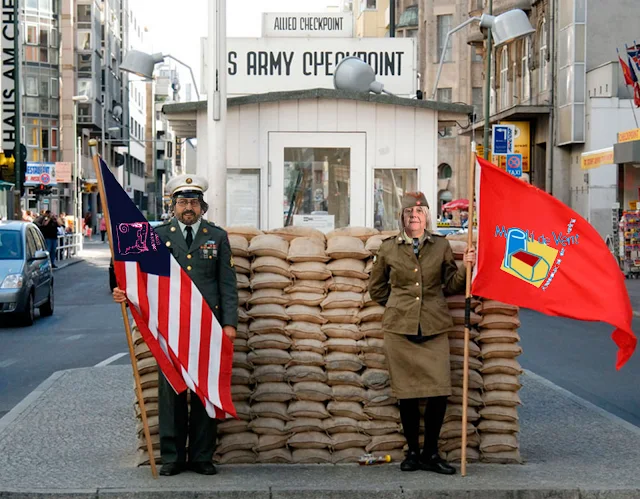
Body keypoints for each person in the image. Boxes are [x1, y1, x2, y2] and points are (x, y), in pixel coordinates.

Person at [112, 174, 238, 477]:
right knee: (172, 394)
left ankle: (202, 456)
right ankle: (172, 457)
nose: (188, 207)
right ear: (173, 205)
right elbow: (135, 271)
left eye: (194, 201)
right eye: (182, 201)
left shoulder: (216, 237)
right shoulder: (157, 236)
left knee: (205, 391)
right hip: (170, 326)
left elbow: (227, 283)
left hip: (207, 325)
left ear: (202, 206)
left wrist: (230, 324)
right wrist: (122, 292)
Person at [368, 192, 476, 475]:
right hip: (399, 329)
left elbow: (452, 285)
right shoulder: (389, 248)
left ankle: (431, 453)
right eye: (408, 212)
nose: (413, 215)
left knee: (439, 392)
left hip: (433, 326)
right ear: (401, 217)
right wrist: (398, 307)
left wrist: (467, 266)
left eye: (419, 211)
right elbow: (376, 289)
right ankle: (413, 453)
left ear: (427, 215)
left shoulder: (440, 246)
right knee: (407, 396)